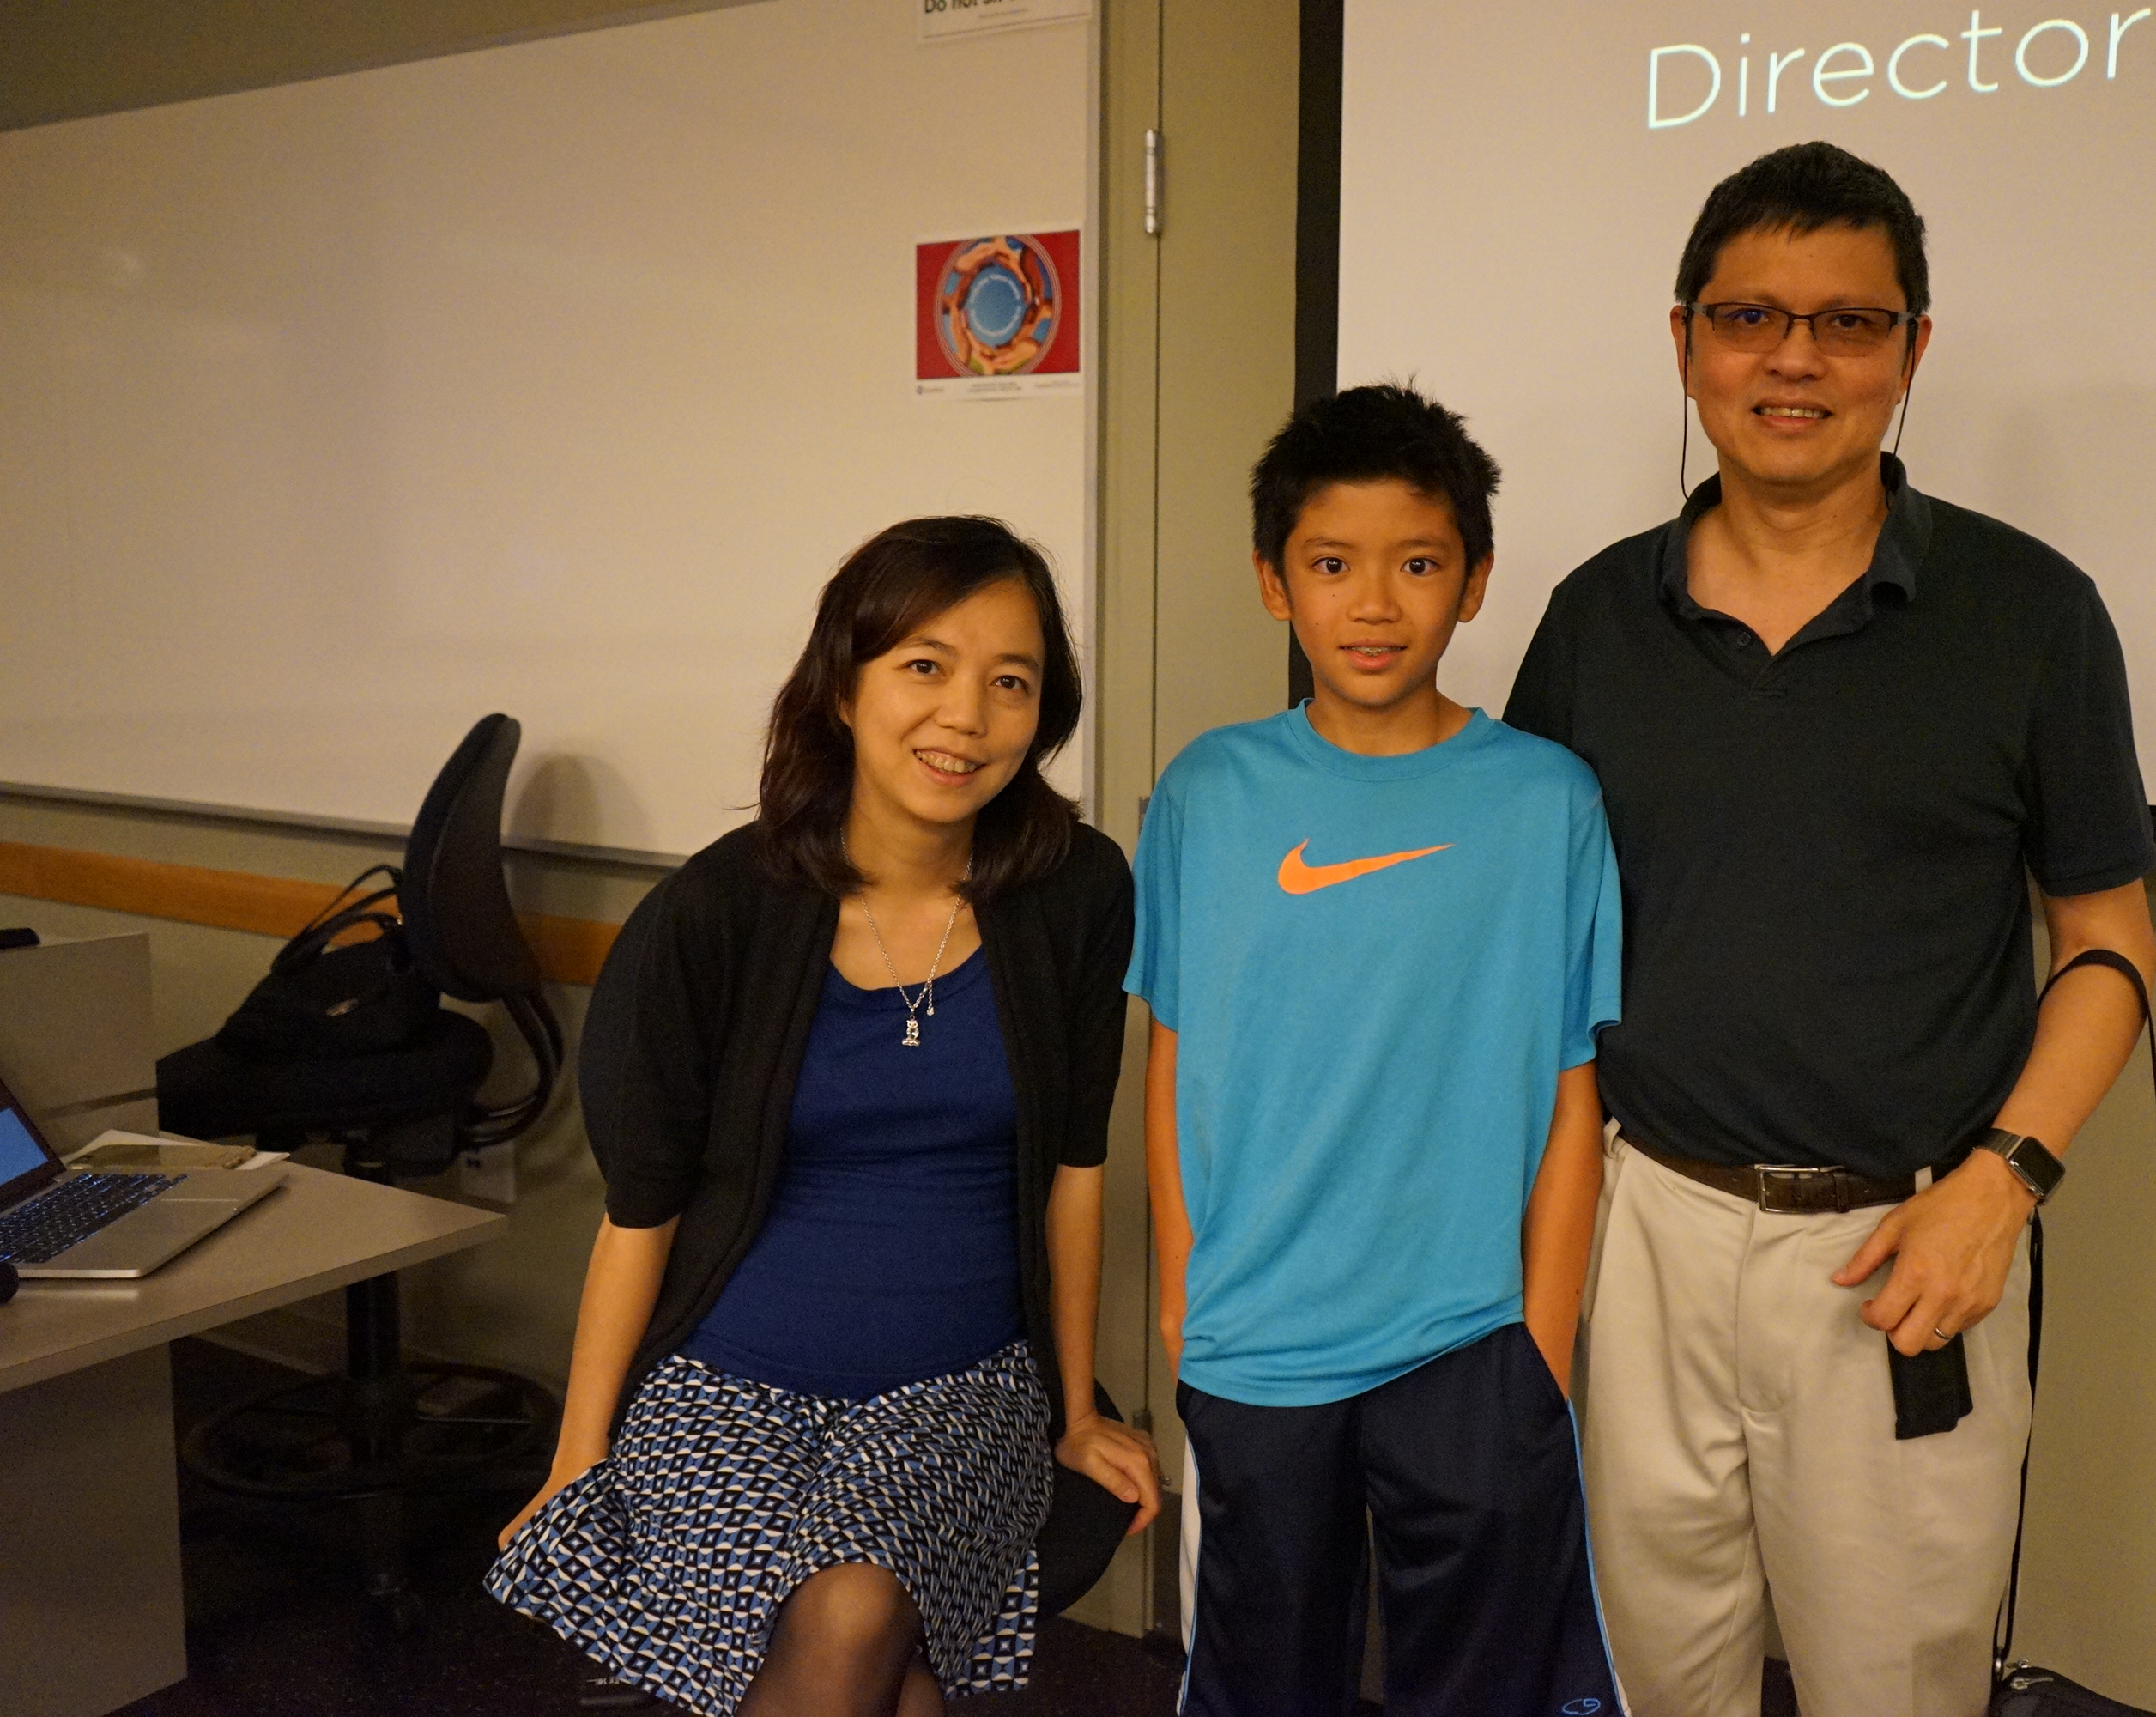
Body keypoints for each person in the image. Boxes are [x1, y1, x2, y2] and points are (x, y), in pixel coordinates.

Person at [1505, 143, 2156, 1717]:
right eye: (1750, 318)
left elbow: (2110, 943)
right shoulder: (1596, 618)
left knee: (1896, 1686)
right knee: (1657, 1679)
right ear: (1686, 343)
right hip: (1646, 1233)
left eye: (1848, 323)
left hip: (1906, 1250)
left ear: (1911, 351)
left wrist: (2004, 1186)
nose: (1794, 359)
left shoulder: (2031, 614)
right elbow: (1520, 947)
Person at [488, 517, 1160, 1717]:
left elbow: (1074, 1170)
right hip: (724, 1386)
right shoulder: (717, 913)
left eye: (1011, 682)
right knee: (877, 1676)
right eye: (924, 666)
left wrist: (1072, 1409)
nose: (966, 716)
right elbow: (641, 1211)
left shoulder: (1077, 891)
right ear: (842, 688)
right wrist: (580, 1456)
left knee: (852, 1611)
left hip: (957, 1387)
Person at [1132, 385, 1626, 1716]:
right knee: (1262, 1685)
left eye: (1416, 565)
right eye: (1331, 564)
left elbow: (1571, 1092)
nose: (1373, 604)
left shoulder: (1547, 799)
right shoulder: (1206, 793)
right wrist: (1182, 1297)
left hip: (1472, 1346)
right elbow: (1174, 1060)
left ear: (1474, 581)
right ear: (1273, 582)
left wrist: (1543, 1347)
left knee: (1482, 1689)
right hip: (1256, 1339)